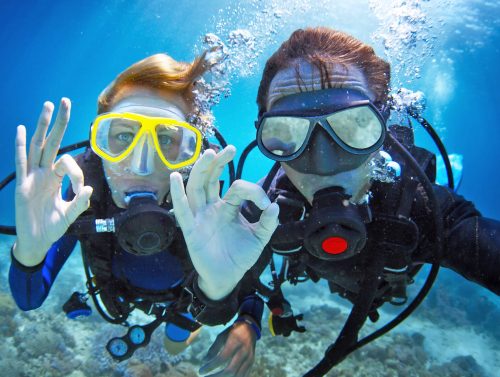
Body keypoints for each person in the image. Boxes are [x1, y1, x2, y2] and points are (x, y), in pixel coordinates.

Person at [233, 27, 500, 377]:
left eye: (354, 126)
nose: (323, 164)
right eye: (286, 133)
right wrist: (246, 320)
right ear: (265, 136)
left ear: (382, 126)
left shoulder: (419, 205)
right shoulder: (264, 209)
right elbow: (237, 281)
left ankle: (455, 164)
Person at [9, 51, 279, 368]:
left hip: (185, 303)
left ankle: (177, 334)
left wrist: (221, 295)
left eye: (167, 139)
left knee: (175, 344)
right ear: (100, 145)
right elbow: (29, 299)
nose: (141, 166)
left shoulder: (207, 199)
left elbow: (233, 297)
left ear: (192, 155)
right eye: (123, 136)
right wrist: (30, 251)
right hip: (119, 295)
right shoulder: (83, 191)